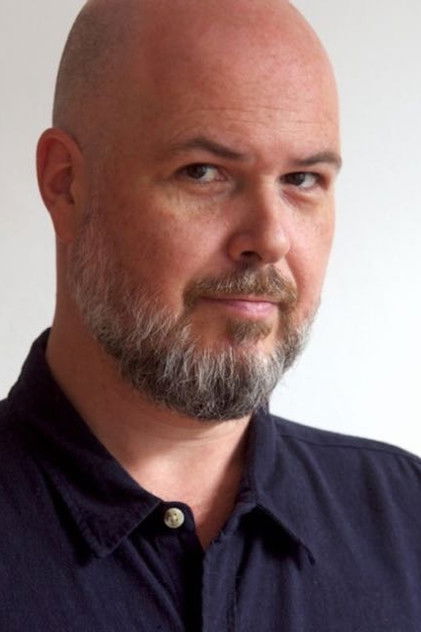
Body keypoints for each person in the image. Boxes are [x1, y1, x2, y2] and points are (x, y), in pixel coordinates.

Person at [1, 0, 420, 630]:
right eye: (204, 173)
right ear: (66, 184)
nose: (270, 239)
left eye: (302, 179)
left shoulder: (407, 520)